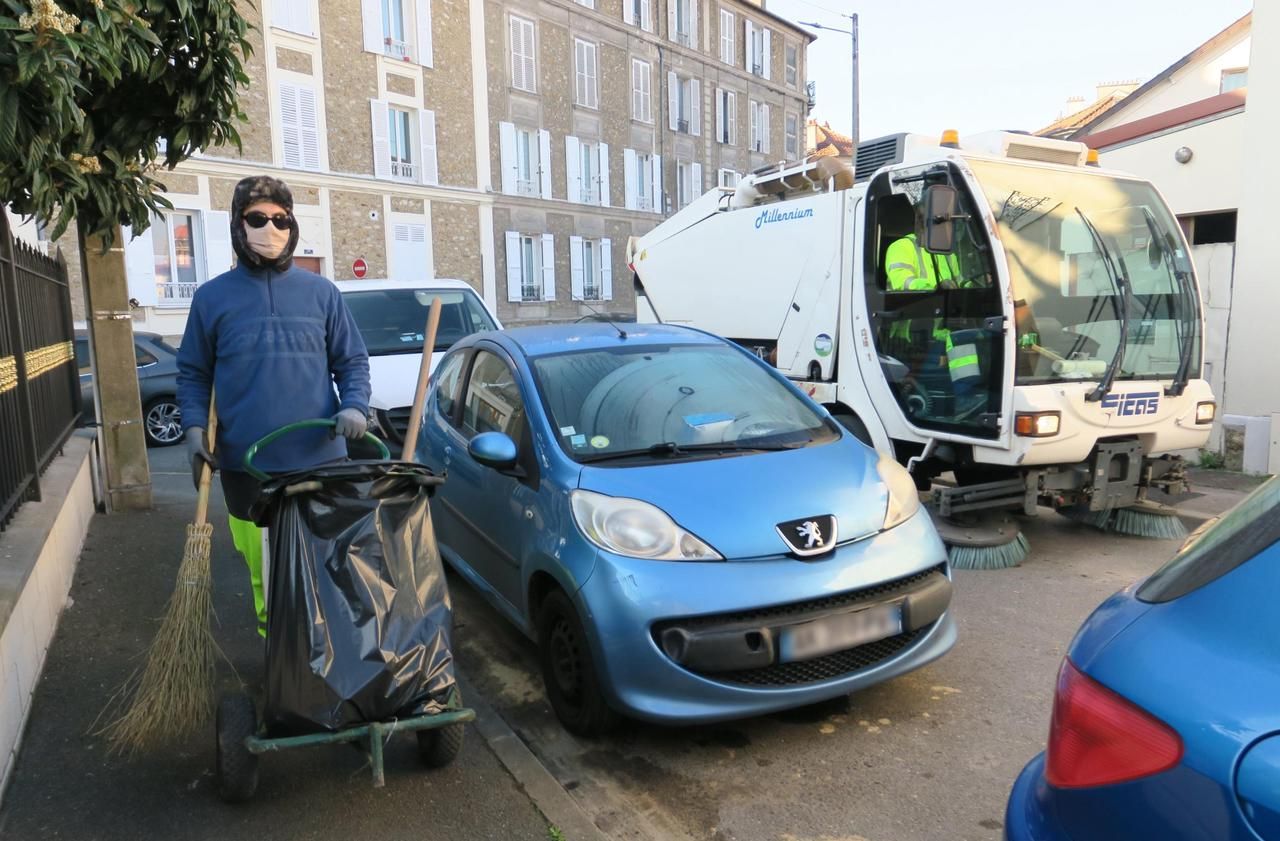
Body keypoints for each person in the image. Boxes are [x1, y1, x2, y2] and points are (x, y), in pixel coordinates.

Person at [176, 175, 371, 637]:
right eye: (258, 218)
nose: (270, 227)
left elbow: (351, 359)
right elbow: (193, 373)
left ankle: (326, 651)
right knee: (265, 571)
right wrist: (190, 431)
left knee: (325, 564)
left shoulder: (321, 293)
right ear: (237, 226)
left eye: (280, 219)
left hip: (320, 461)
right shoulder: (212, 299)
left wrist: (356, 405)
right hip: (248, 469)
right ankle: (278, 653)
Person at [884, 202, 982, 416]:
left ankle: (976, 398)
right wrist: (935, 288)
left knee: (982, 334)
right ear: (918, 223)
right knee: (963, 341)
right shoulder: (902, 247)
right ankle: (964, 399)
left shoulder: (949, 255)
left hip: (944, 330)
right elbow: (903, 283)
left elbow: (960, 284)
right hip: (912, 336)